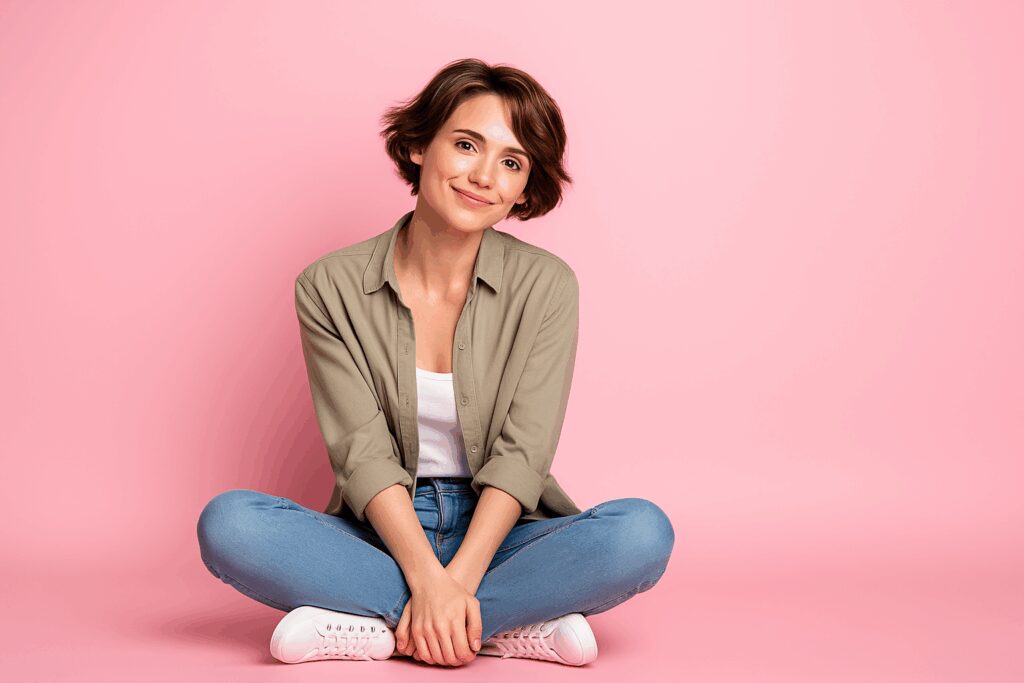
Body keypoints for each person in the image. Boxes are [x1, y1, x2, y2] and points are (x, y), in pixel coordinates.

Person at [196, 57, 674, 668]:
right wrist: (424, 577)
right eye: (467, 144)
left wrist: (455, 580)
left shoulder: (547, 286)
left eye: (511, 162)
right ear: (421, 144)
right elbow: (361, 454)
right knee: (230, 525)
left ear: (524, 189)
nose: (483, 176)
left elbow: (523, 455)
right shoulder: (329, 285)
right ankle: (501, 625)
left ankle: (379, 626)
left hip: (504, 532)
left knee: (642, 533)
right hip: (382, 531)